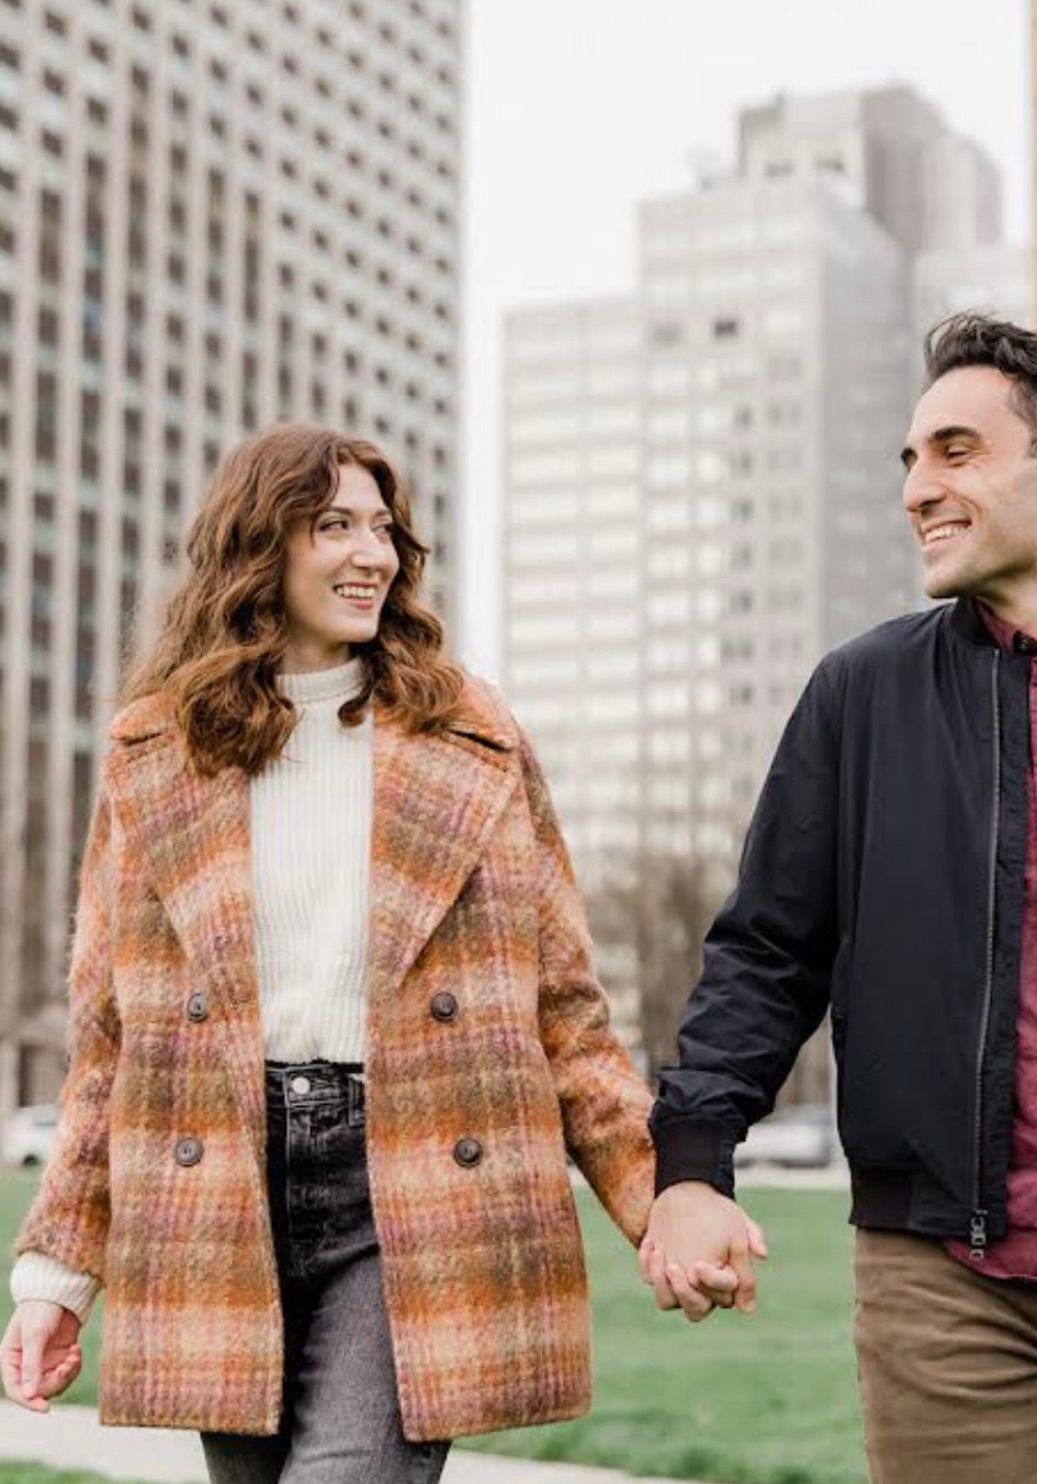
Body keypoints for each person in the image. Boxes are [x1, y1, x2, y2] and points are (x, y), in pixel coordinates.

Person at [640, 314, 1037, 1482]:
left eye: (954, 451)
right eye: (908, 460)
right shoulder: (859, 695)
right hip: (946, 1268)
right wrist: (690, 1163)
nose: (916, 490)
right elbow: (767, 952)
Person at [1, 422, 655, 1483]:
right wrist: (53, 1278)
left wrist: (655, 1193)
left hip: (413, 1184)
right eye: (333, 525)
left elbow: (566, 1011)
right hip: (216, 1198)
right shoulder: (154, 756)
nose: (373, 553)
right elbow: (112, 1045)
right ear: (259, 547)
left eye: (383, 529)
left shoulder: (472, 740)